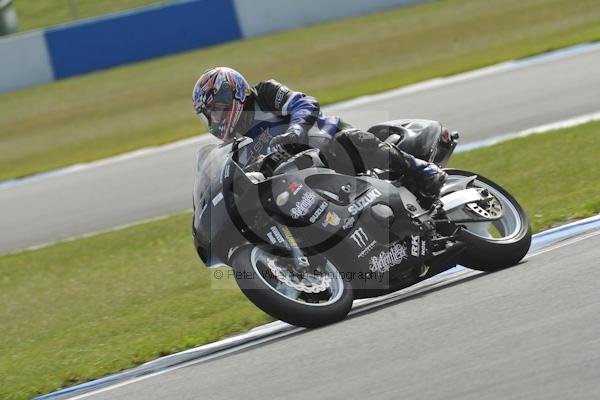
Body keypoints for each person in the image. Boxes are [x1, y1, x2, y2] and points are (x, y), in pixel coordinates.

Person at [192, 67, 446, 200]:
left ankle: (420, 169)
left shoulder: (265, 93)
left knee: (347, 140)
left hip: (324, 144)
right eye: (210, 115)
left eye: (216, 111)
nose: (215, 120)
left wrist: (295, 129)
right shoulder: (236, 146)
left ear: (233, 95)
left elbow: (304, 103)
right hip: (299, 178)